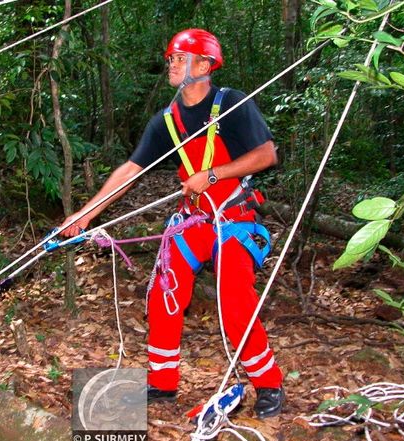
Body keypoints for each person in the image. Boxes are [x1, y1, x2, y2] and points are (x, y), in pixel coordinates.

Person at [61, 29, 284, 418]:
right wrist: (86, 214)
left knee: (234, 299)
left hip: (234, 218)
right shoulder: (167, 119)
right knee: (163, 292)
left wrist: (213, 174)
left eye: (180, 59)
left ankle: (268, 384)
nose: (172, 65)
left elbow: (267, 154)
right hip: (194, 219)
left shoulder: (230, 103)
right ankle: (162, 382)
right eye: (172, 59)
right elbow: (130, 170)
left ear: (204, 65)